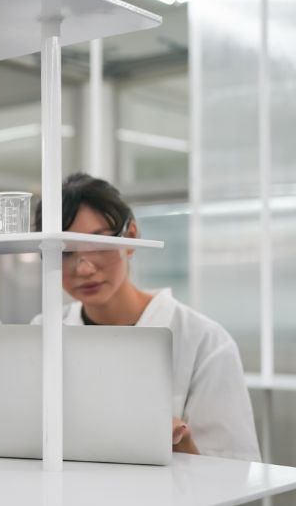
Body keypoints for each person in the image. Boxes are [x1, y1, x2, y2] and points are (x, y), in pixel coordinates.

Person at [33, 172, 261, 462]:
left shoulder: (203, 341)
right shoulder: (43, 331)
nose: (84, 268)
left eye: (99, 244)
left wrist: (182, 446)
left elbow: (234, 470)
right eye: (64, 252)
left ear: (130, 239)